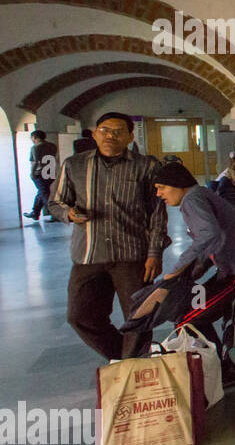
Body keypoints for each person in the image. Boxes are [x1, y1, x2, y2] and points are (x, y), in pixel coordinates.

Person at [46, 112, 167, 361]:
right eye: (104, 130)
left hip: (132, 254)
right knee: (80, 316)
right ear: (94, 134)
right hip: (89, 254)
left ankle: (135, 368)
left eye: (118, 131)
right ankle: (123, 358)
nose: (110, 136)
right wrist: (69, 214)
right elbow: (55, 202)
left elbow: (157, 213)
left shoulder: (146, 166)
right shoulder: (74, 165)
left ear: (130, 136)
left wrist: (155, 253)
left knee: (140, 316)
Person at [152, 161, 235, 384]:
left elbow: (209, 234)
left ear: (177, 184)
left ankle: (219, 370)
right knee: (187, 312)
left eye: (162, 188)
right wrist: (198, 268)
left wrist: (178, 269)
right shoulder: (199, 195)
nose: (159, 194)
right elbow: (214, 240)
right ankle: (219, 366)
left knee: (187, 319)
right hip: (233, 272)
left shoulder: (192, 200)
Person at [22, 130, 58, 223]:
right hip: (51, 172)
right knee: (43, 191)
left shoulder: (35, 147)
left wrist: (32, 173)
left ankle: (55, 214)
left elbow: (35, 162)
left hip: (40, 173)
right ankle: (35, 212)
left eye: (32, 138)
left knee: (44, 192)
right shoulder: (52, 145)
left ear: (35, 137)